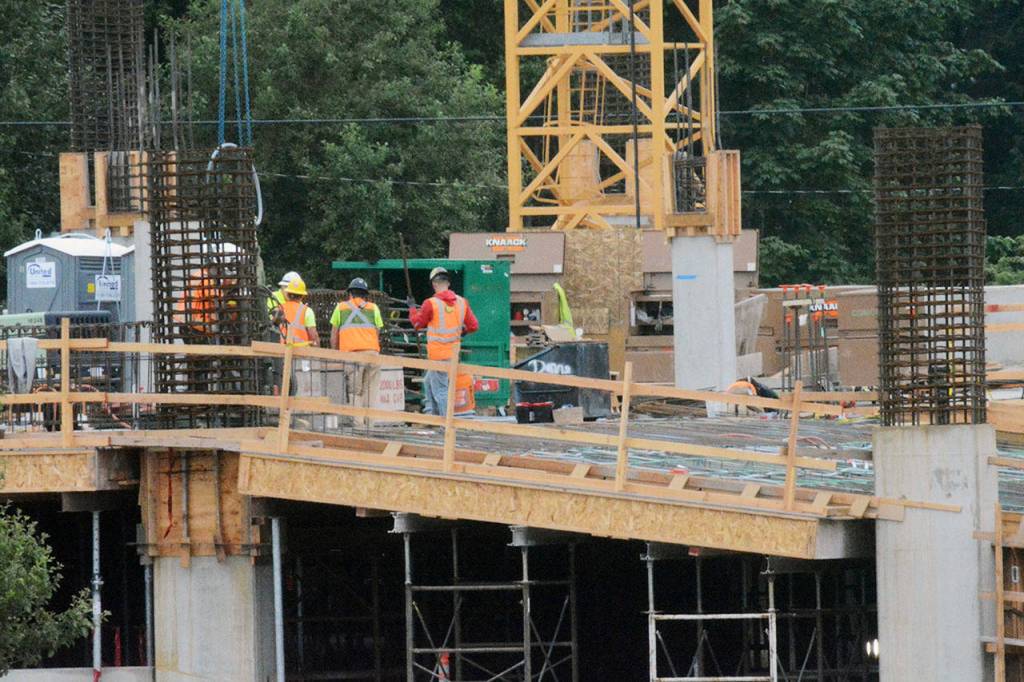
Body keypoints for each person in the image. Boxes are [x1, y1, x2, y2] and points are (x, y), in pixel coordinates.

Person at [409, 267, 479, 416]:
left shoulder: (431, 303)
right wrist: (462, 331)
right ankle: (432, 416)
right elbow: (473, 326)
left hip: (437, 356)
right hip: (452, 355)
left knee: (441, 391)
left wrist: (412, 308)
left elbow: (417, 324)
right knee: (429, 383)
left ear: (434, 284)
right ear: (448, 283)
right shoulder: (461, 302)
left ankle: (445, 424)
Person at [330, 278, 384, 412]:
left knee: (355, 392)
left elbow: (333, 337)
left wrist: (336, 354)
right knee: (370, 392)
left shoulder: (341, 308)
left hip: (352, 356)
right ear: (366, 295)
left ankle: (359, 427)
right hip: (373, 355)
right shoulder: (374, 308)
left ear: (350, 294)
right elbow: (377, 333)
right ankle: (369, 426)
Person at [279, 276, 319, 347]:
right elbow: (313, 335)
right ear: (303, 295)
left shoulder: (279, 308)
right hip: (302, 352)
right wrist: (318, 351)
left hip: (282, 351)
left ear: (288, 294)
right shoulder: (307, 311)